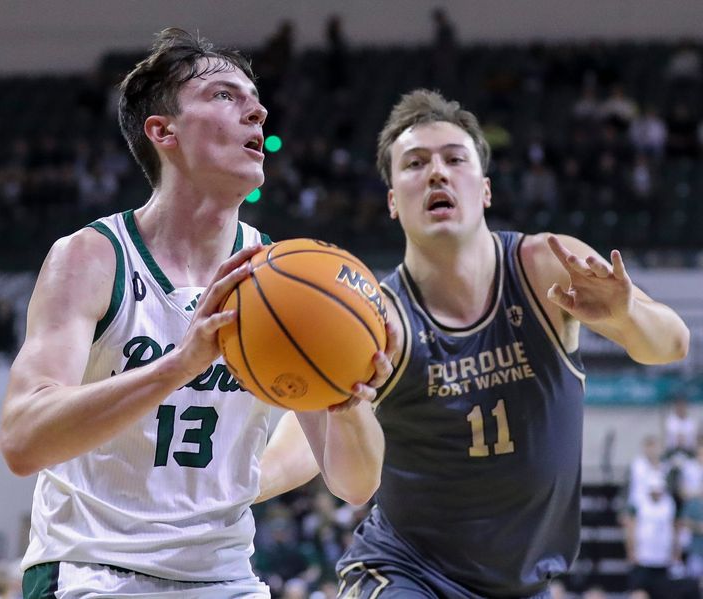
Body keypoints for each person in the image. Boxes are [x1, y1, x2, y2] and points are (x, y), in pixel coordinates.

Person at [0, 28, 391, 599]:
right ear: (163, 131)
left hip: (225, 577)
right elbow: (21, 441)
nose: (257, 110)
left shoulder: (282, 281)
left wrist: (348, 402)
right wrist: (180, 364)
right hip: (92, 570)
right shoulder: (92, 257)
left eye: (254, 99)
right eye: (225, 96)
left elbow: (355, 483)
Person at [262, 89, 690, 598]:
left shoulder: (546, 267)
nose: (437, 172)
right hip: (408, 572)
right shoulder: (379, 318)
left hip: (524, 583)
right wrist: (234, 488)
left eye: (454, 158)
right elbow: (315, 445)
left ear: (485, 189)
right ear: (393, 202)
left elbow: (672, 345)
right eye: (415, 163)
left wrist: (628, 315)